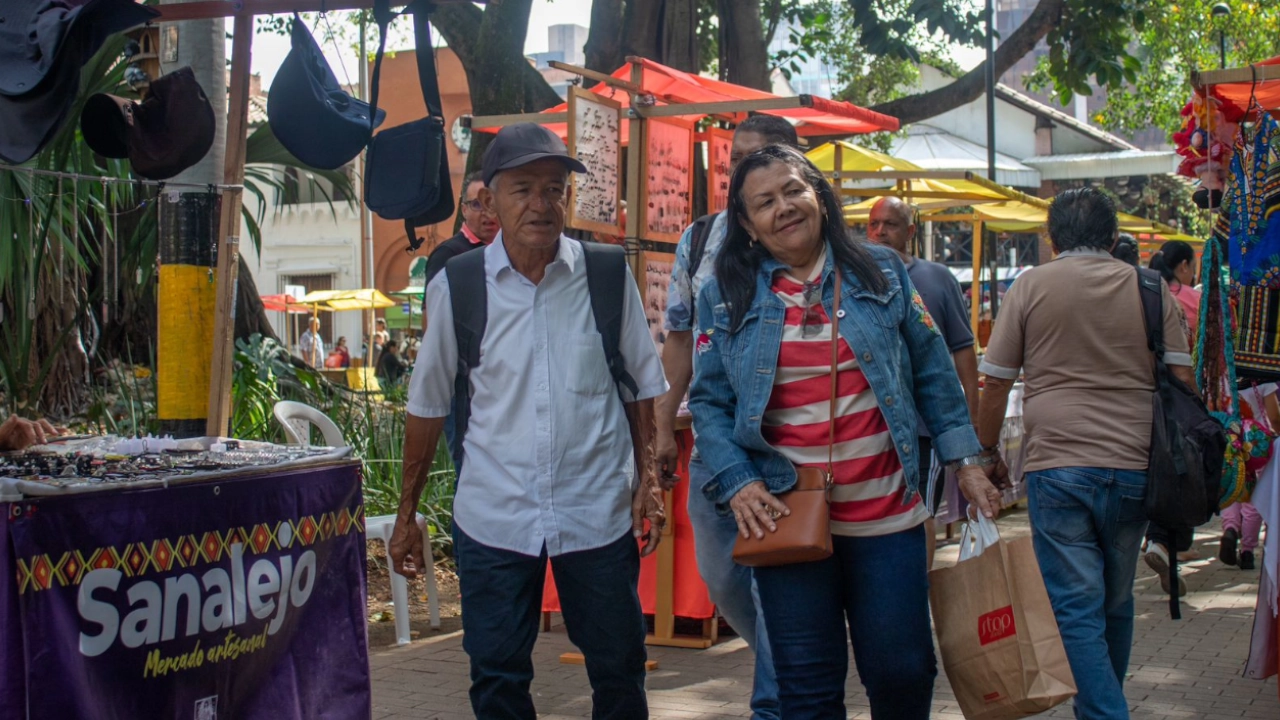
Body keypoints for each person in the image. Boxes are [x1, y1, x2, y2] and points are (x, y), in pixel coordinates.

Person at [688, 145, 998, 719]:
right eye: (765, 202)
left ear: (820, 198)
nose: (784, 207)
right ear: (748, 225)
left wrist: (967, 462)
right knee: (806, 690)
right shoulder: (724, 295)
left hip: (888, 517)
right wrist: (737, 480)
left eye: (793, 191)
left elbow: (933, 369)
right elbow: (709, 402)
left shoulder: (881, 271)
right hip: (787, 519)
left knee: (904, 672)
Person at [387, 123, 668, 719]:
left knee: (619, 668)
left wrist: (649, 481)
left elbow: (642, 385)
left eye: (554, 189)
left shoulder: (605, 274)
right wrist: (406, 515)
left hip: (595, 509)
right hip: (495, 514)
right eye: (523, 189)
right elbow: (428, 405)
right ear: (490, 200)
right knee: (496, 674)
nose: (542, 204)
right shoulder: (459, 284)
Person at [974, 187, 1195, 720]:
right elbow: (1184, 381)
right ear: (1114, 236)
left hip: (1058, 466)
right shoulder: (1150, 288)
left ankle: (1104, 712)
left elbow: (995, 382)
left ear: (1051, 238)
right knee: (1115, 601)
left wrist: (985, 451)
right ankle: (1104, 706)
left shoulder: (1030, 287)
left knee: (1075, 608)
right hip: (1136, 466)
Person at [655, 114, 800, 720]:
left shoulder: (807, 239)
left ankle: (778, 698)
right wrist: (663, 424)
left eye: (761, 155)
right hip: (715, 438)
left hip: (787, 442)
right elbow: (680, 337)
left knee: (777, 587)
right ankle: (795, 661)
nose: (744, 168)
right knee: (721, 577)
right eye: (735, 158)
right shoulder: (699, 239)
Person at [867, 195, 979, 568]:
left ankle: (921, 589)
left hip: (922, 428)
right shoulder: (851, 278)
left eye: (891, 224)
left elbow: (961, 351)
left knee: (921, 513)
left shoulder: (937, 278)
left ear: (911, 231)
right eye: (873, 224)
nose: (880, 232)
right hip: (870, 427)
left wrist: (971, 422)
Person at [1143, 239, 1204, 579]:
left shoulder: (1136, 295)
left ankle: (1155, 539)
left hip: (1140, 399)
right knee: (1179, 467)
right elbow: (1186, 363)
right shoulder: (1186, 300)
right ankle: (1169, 542)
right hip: (1174, 399)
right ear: (1181, 266)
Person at [422, 171, 500, 291]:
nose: (486, 212)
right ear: (464, 210)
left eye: (491, 203)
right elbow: (433, 302)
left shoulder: (513, 250)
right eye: (477, 204)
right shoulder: (447, 254)